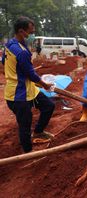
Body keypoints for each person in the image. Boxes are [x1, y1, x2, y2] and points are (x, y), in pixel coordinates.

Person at [1, 16, 55, 153]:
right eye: (30, 32)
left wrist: (18, 71)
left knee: (48, 106)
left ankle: (38, 131)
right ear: (21, 31)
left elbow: (4, 63)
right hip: (18, 95)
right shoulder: (22, 52)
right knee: (25, 125)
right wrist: (45, 84)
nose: (32, 34)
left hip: (29, 90)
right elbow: (31, 75)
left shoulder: (10, 45)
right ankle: (28, 153)